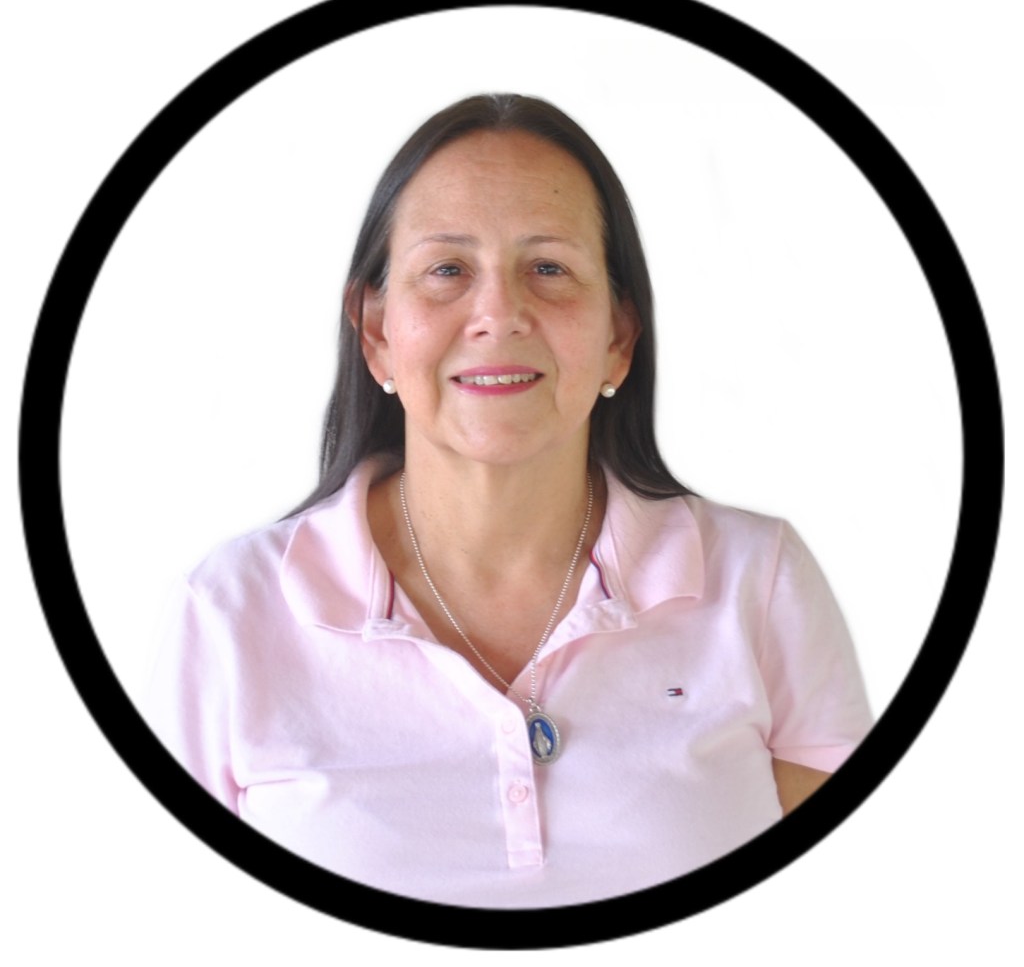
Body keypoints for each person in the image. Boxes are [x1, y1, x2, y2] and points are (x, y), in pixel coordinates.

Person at [146, 94, 872, 908]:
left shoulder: (759, 582)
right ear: (377, 332)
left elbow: (832, 917)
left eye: (549, 268)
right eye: (447, 270)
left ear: (619, 337)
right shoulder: (228, 612)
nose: (499, 315)